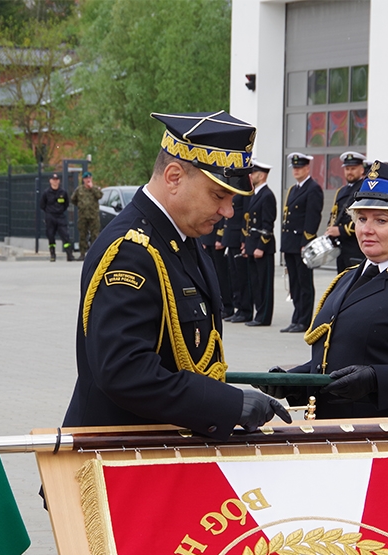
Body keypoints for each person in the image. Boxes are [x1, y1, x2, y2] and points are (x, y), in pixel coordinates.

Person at [61, 111, 291, 440]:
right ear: (173, 177)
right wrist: (227, 404)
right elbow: (124, 370)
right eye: (218, 195)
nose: (228, 211)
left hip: (157, 451)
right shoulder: (132, 250)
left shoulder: (181, 238)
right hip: (116, 457)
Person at [256, 161, 388, 419]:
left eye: (381, 220)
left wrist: (376, 380)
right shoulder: (348, 277)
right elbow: (340, 357)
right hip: (336, 432)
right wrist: (296, 380)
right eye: (361, 219)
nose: (366, 229)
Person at [280, 152, 323, 333]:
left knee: (304, 283)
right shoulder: (293, 189)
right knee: (295, 282)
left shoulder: (313, 188)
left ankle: (304, 320)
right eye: (294, 168)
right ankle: (296, 317)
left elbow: (313, 217)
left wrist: (307, 241)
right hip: (290, 242)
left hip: (302, 243)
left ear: (307, 168)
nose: (296, 171)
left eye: (300, 168)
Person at [243, 160, 276, 327]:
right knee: (255, 283)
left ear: (261, 175)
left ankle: (264, 317)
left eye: (253, 173)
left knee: (264, 284)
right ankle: (258, 314)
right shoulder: (256, 194)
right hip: (252, 244)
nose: (250, 176)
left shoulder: (267, 195)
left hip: (262, 247)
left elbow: (267, 225)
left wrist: (261, 247)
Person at [325, 151, 367, 273]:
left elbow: (363, 217)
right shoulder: (341, 191)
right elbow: (334, 214)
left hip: (356, 246)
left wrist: (341, 230)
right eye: (347, 169)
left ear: (361, 169)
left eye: (353, 168)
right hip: (341, 247)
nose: (349, 172)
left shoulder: (364, 189)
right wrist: (330, 229)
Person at [222, 192, 252, 322]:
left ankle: (246, 310)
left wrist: (243, 238)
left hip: (238, 237)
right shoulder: (234, 190)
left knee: (242, 278)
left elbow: (246, 216)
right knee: (234, 277)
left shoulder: (245, 192)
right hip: (230, 237)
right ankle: (238, 307)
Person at [39, 172, 74, 262]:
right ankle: (52, 255)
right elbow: (42, 205)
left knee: (65, 235)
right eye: (53, 180)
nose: (55, 182)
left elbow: (66, 204)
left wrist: (60, 210)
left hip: (60, 217)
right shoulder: (46, 193)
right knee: (51, 236)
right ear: (50, 181)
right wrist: (49, 213)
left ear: (59, 181)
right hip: (50, 217)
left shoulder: (63, 192)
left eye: (56, 180)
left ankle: (69, 255)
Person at [71, 171, 102, 259]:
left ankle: (94, 254)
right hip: (83, 215)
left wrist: (92, 188)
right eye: (86, 178)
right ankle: (82, 253)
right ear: (83, 179)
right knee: (82, 235)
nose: (88, 180)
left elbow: (99, 196)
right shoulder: (79, 189)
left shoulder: (96, 189)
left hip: (94, 216)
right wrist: (81, 206)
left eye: (89, 178)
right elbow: (73, 199)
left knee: (94, 235)